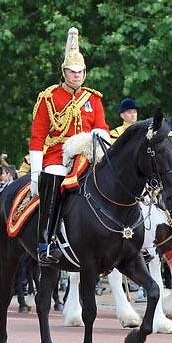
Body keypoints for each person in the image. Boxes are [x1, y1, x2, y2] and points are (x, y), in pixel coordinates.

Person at [29, 27, 109, 265]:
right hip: (57, 156)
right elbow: (38, 137)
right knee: (53, 179)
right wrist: (36, 172)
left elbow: (102, 129)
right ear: (64, 72)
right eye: (72, 72)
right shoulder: (49, 97)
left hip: (88, 155)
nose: (77, 76)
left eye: (80, 72)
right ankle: (45, 243)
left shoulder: (93, 99)